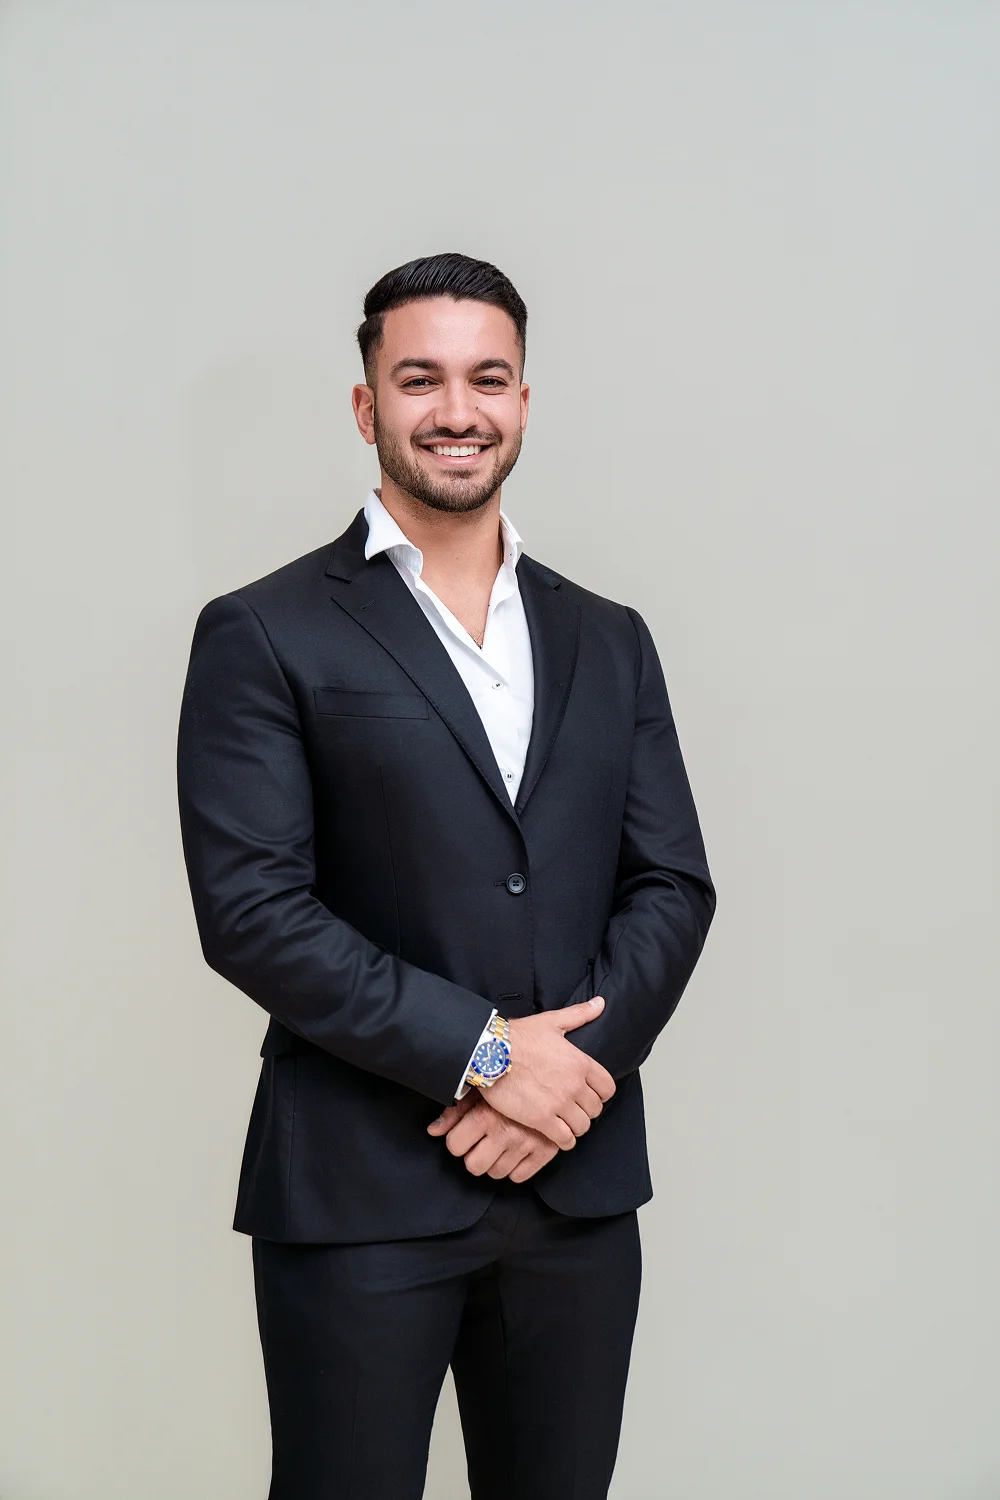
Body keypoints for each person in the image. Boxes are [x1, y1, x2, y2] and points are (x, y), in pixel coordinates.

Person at [176, 251, 716, 1500]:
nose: (456, 410)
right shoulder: (265, 631)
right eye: (419, 379)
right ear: (367, 407)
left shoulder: (607, 636)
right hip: (358, 1196)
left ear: (525, 400)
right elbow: (253, 910)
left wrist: (564, 1085)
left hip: (574, 1197)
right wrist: (487, 1056)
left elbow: (672, 885)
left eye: (487, 379)